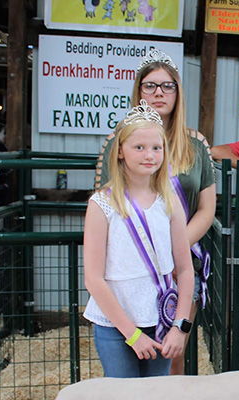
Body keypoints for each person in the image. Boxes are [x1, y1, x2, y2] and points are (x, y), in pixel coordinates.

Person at [94, 49, 216, 375]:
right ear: (138, 91)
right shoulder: (114, 141)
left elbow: (207, 208)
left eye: (167, 86)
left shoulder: (196, 144)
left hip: (180, 259)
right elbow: (111, 206)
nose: (159, 93)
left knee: (173, 353)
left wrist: (174, 253)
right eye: (150, 86)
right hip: (134, 261)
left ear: (178, 92)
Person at [82, 100, 194, 378]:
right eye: (139, 147)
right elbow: (93, 279)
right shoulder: (101, 204)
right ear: (120, 151)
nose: (150, 155)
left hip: (161, 321)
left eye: (157, 148)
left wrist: (180, 326)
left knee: (156, 393)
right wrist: (132, 334)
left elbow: (185, 269)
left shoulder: (170, 202)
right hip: (115, 325)